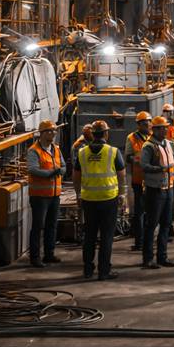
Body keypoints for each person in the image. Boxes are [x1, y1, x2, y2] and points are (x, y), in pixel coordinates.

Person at [74, 119, 127, 281]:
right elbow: (121, 176)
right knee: (106, 237)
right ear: (105, 133)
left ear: (92, 134)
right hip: (108, 200)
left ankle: (88, 270)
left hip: (89, 200)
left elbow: (76, 177)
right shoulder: (113, 151)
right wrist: (122, 195)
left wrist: (79, 195)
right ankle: (104, 271)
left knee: (89, 236)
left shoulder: (82, 153)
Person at [140, 116, 174, 269]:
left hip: (168, 189)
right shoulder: (148, 146)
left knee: (166, 224)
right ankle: (148, 258)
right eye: (162, 127)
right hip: (154, 190)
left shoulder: (169, 143)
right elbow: (144, 165)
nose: (165, 129)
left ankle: (162, 257)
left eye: (166, 127)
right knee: (151, 225)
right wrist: (160, 169)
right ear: (154, 130)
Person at [26, 119, 65, 267]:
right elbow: (32, 169)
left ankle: (49, 254)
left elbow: (63, 165)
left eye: (54, 131)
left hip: (54, 195)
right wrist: (50, 173)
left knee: (51, 225)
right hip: (40, 196)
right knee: (38, 226)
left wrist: (61, 171)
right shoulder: (34, 150)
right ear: (42, 133)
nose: (53, 133)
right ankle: (35, 257)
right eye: (49, 131)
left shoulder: (56, 149)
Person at [125, 111, 152, 251]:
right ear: (139, 125)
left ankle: (149, 241)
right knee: (139, 212)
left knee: (151, 212)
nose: (147, 125)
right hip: (139, 179)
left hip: (153, 181)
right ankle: (139, 242)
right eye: (144, 123)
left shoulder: (152, 136)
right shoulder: (132, 138)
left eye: (148, 122)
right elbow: (128, 157)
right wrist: (141, 160)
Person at [159, 103, 174, 242]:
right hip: (162, 168)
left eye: (170, 112)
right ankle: (164, 225)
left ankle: (169, 224)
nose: (168, 114)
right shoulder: (158, 124)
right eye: (166, 112)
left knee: (171, 197)